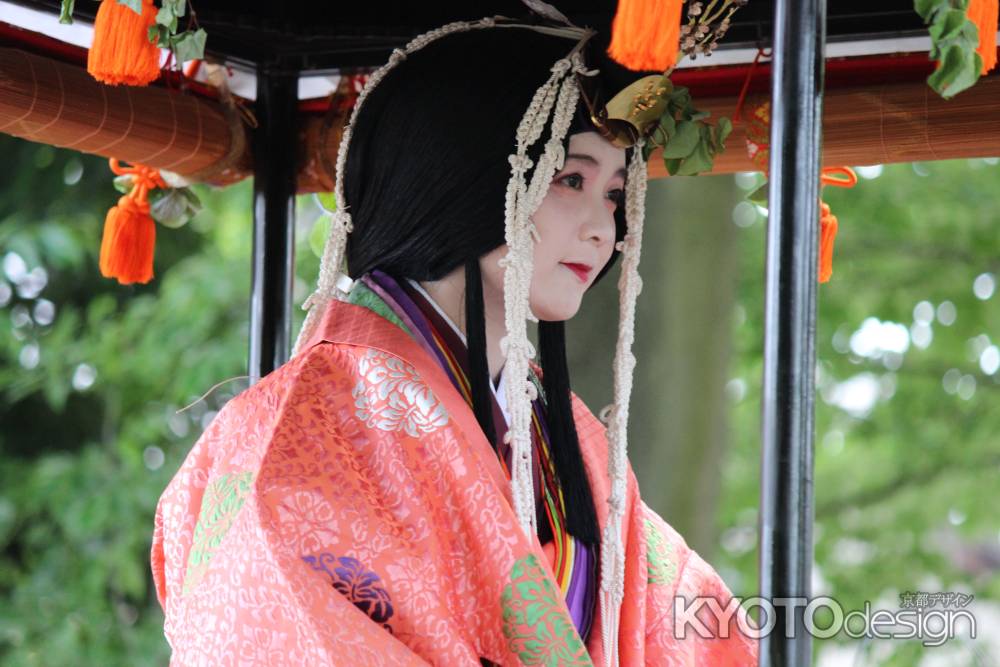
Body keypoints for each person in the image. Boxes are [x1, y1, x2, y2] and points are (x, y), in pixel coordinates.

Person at [151, 14, 758, 667]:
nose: (601, 229)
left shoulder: (567, 434)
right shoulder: (298, 430)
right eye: (571, 180)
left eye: (614, 194)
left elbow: (683, 620)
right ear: (461, 172)